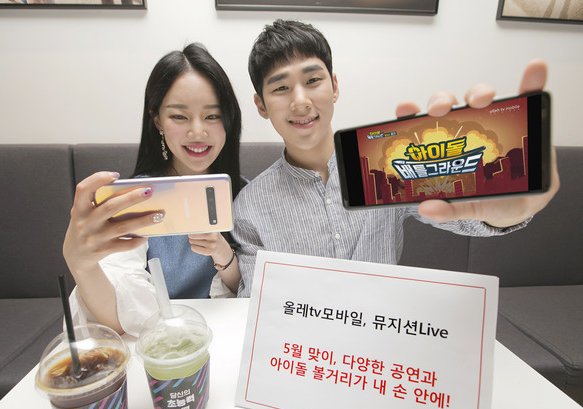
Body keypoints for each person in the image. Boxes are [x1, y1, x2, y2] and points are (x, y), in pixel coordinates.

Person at [232, 19, 560, 297]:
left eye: (313, 80)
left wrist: (507, 211)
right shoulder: (250, 206)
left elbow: (459, 215)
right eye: (281, 88)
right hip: (303, 345)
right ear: (261, 105)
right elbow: (255, 305)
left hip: (386, 334)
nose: (300, 101)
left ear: (334, 86)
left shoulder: (386, 167)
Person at [63, 43, 242, 335]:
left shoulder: (246, 194)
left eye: (212, 115)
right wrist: (81, 266)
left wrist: (226, 257)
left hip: (229, 334)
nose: (198, 132)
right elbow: (117, 317)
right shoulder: (138, 199)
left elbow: (254, 292)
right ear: (157, 120)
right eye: (179, 116)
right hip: (161, 341)